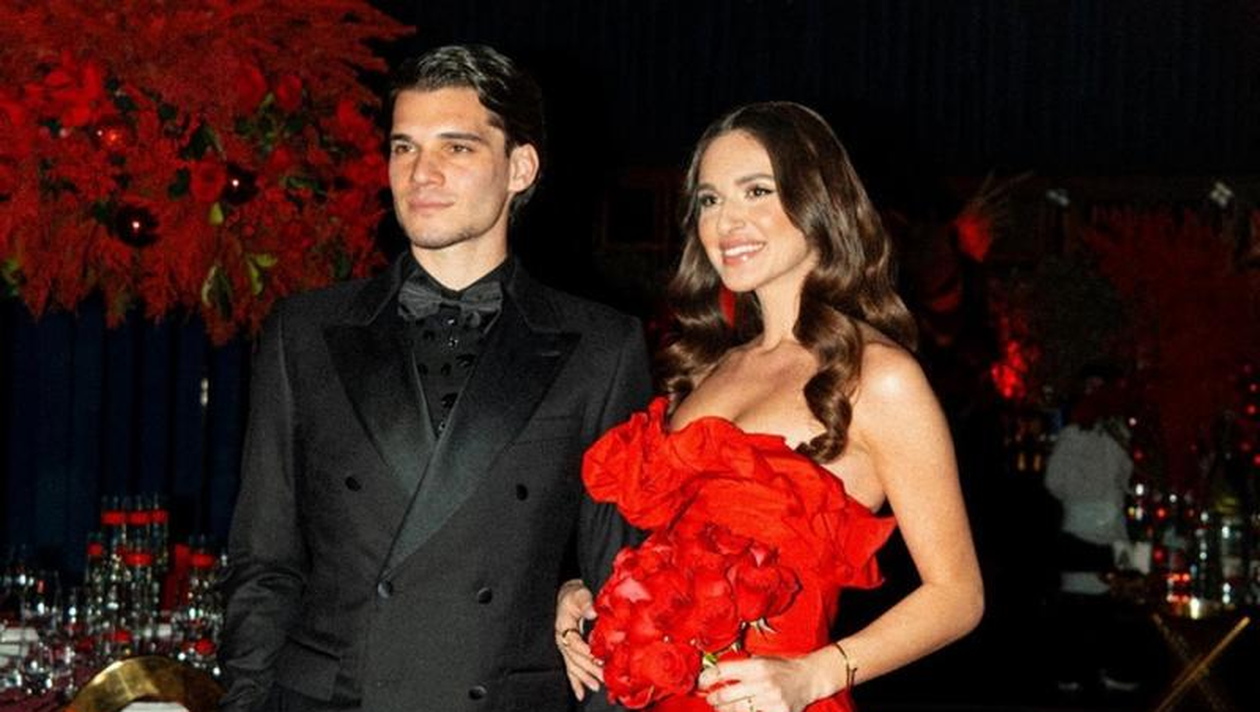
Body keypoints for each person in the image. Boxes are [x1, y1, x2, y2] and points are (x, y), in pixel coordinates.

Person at [219, 45, 650, 712]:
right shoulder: (303, 331)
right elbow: (262, 562)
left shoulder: (602, 346)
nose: (422, 173)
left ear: (521, 168)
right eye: (404, 148)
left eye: (457, 147)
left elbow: (621, 588)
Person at [554, 102, 983, 712]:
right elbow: (659, 550)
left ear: (820, 202)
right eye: (709, 200)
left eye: (756, 191)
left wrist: (817, 674)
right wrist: (590, 594)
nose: (726, 220)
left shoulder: (879, 378)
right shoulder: (708, 368)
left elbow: (958, 595)